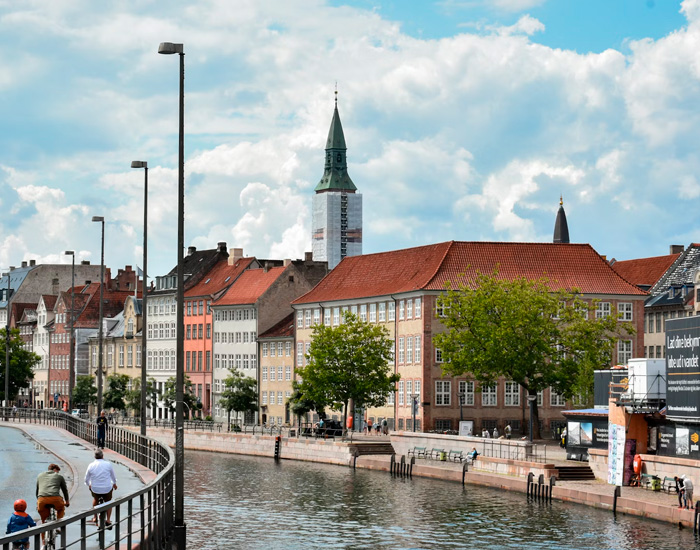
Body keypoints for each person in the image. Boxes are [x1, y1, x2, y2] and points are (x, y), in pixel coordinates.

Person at [36, 463, 70, 546]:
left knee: (43, 522)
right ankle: (58, 524)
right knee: (61, 508)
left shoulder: (40, 475)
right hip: (55, 499)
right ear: (55, 470)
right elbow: (64, 490)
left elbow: (37, 491)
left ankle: (43, 543)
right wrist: (67, 501)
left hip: (42, 500)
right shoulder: (59, 477)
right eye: (57, 471)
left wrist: (39, 501)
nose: (57, 473)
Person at [85, 449, 118, 528]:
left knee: (95, 499)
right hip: (107, 488)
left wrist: (89, 484)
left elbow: (86, 479)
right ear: (102, 456)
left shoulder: (91, 465)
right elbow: (113, 476)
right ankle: (108, 520)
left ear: (94, 457)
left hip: (95, 488)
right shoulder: (108, 464)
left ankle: (95, 517)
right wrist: (114, 484)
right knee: (108, 502)